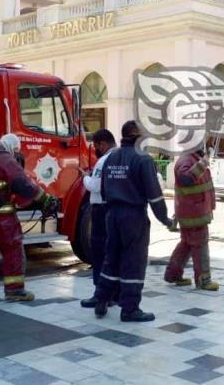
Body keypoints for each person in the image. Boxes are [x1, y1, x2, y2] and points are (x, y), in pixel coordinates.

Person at [93, 120, 174, 322]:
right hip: (133, 217)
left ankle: (102, 299)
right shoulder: (143, 159)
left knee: (111, 258)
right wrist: (165, 219)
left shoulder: (111, 157)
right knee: (133, 262)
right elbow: (154, 195)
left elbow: (103, 189)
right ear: (136, 135)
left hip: (111, 215)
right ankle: (129, 308)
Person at [0, 133, 57, 303]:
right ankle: (14, 290)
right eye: (16, 151)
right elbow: (23, 184)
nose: (16, 155)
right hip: (1, 216)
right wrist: (45, 199)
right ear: (11, 147)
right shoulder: (5, 159)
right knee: (13, 248)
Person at [164, 146, 219, 291]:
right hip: (193, 213)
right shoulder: (187, 160)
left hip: (194, 211)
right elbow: (185, 179)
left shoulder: (194, 159)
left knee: (187, 244)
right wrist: (202, 165)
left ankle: (173, 274)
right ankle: (203, 280)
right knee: (200, 244)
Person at [80, 128, 117, 309]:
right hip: (116, 210)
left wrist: (85, 178)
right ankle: (113, 293)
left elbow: (95, 186)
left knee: (99, 252)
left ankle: (100, 294)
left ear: (102, 144)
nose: (96, 149)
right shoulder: (122, 158)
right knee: (113, 252)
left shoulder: (103, 161)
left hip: (101, 209)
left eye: (96, 146)